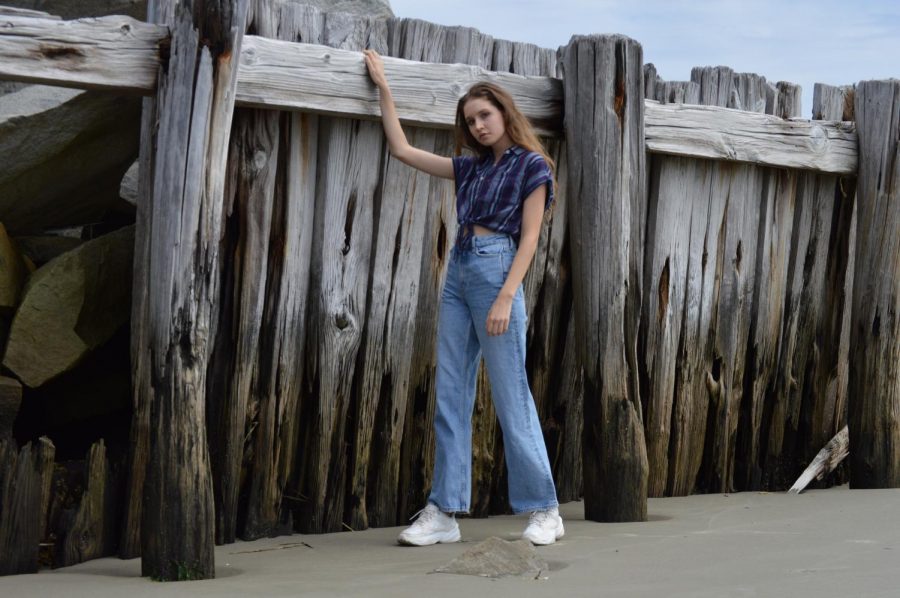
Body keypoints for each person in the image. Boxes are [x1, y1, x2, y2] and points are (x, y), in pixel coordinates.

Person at [363, 49, 563, 546]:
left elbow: (532, 238)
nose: (477, 126)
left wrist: (505, 296)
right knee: (450, 393)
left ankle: (545, 509)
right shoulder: (470, 169)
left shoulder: (533, 166)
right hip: (459, 270)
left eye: (485, 115)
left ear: (504, 113)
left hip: (499, 271)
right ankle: (445, 512)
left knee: (510, 392)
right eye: (470, 120)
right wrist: (385, 88)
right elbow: (403, 150)